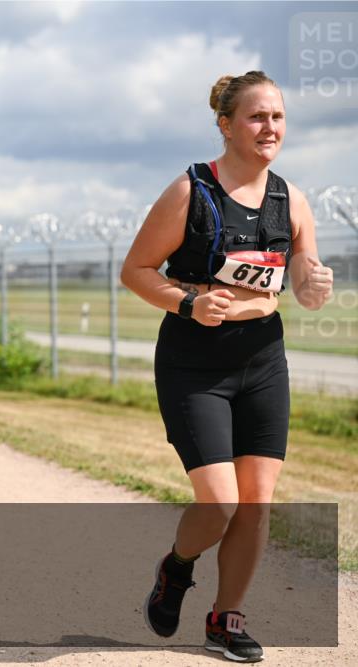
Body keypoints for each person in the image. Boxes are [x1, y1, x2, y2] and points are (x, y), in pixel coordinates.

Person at [121, 71, 334, 663]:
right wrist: (189, 302)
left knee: (257, 501)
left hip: (263, 359)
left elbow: (302, 277)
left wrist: (314, 284)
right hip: (196, 364)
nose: (270, 128)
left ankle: (225, 618)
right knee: (220, 502)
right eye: (256, 117)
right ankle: (176, 569)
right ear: (226, 125)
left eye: (278, 117)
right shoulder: (191, 192)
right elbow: (136, 271)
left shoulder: (291, 199)